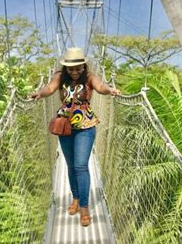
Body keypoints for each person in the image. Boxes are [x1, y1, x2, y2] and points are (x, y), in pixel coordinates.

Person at [31, 47, 120, 227]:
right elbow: (50, 87)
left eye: (78, 68)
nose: (74, 71)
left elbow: (100, 86)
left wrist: (109, 89)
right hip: (64, 125)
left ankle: (85, 207)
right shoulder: (59, 76)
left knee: (80, 165)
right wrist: (40, 93)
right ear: (65, 68)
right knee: (71, 165)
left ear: (83, 66)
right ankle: (76, 198)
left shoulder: (90, 77)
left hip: (85, 125)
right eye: (71, 68)